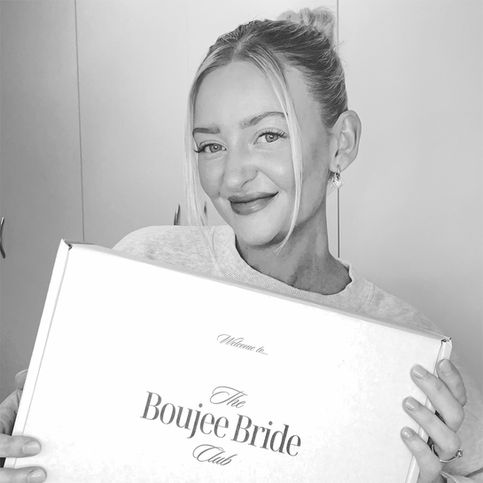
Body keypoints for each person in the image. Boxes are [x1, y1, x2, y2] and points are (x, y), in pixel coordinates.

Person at [0, 6, 482, 483]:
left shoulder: (414, 358)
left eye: (268, 134)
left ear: (342, 143)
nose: (232, 177)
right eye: (211, 146)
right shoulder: (143, 266)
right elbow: (43, 429)